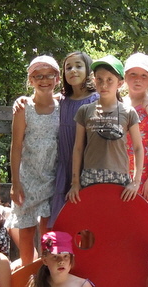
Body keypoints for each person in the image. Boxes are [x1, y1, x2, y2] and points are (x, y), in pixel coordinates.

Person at [67, 55, 143, 204]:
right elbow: (78, 148)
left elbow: (138, 148)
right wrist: (75, 183)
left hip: (119, 179)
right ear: (94, 80)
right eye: (99, 79)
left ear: (120, 83)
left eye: (110, 80)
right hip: (90, 177)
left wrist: (136, 182)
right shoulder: (84, 111)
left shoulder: (128, 112)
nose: (104, 85)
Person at [10, 55, 60, 267]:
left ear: (57, 78)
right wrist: (15, 183)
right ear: (30, 80)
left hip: (52, 176)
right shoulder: (23, 108)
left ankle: (48, 272)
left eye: (49, 75)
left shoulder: (62, 106)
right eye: (38, 76)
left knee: (49, 228)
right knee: (26, 228)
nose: (44, 80)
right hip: (28, 176)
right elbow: (16, 146)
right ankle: (27, 273)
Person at [49, 51, 98, 226]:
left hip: (87, 166)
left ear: (89, 70)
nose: (73, 70)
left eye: (78, 66)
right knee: (62, 218)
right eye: (68, 67)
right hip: (64, 165)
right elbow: (38, 100)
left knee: (87, 218)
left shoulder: (96, 99)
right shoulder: (61, 100)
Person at [122, 53, 148, 203]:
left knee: (140, 214)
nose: (138, 79)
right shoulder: (117, 102)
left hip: (143, 170)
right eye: (133, 74)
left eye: (143, 75)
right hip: (118, 166)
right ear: (125, 77)